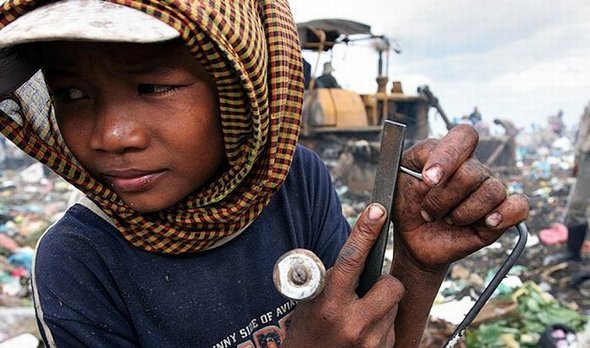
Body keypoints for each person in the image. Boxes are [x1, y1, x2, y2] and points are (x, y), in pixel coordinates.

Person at [0, 1, 529, 346]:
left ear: (238, 88)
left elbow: (373, 337)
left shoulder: (296, 182)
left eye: (152, 87)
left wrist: (416, 266)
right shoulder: (78, 263)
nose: (110, 135)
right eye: (70, 95)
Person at [546, 103, 589, 272]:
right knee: (577, 206)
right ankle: (573, 252)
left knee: (578, 207)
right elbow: (585, 131)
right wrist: (578, 157)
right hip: (588, 156)